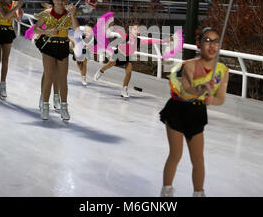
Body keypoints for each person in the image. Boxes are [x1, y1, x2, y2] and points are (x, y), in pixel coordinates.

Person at [159, 27, 229, 197]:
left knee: (198, 159)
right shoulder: (190, 65)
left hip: (197, 113)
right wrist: (201, 88)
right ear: (199, 44)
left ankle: (199, 193)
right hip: (178, 110)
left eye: (215, 41)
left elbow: (221, 98)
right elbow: (187, 88)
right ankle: (166, 191)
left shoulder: (222, 71)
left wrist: (212, 100)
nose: (212, 45)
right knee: (176, 154)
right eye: (207, 40)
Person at [34, 0, 79, 121]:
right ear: (53, 0)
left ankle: (64, 107)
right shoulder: (47, 14)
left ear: (67, 1)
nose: (60, 2)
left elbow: (76, 29)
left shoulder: (68, 14)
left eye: (63, 0)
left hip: (63, 46)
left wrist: (73, 15)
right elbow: (36, 29)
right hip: (49, 46)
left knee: (62, 78)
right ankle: (45, 105)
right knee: (49, 76)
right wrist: (47, 31)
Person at [94, 23, 166, 98]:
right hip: (118, 54)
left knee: (129, 72)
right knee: (110, 64)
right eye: (135, 29)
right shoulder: (126, 36)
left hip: (128, 57)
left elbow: (151, 40)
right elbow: (118, 30)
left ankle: (124, 89)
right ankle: (100, 71)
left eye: (138, 30)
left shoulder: (139, 40)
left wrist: (163, 40)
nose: (136, 31)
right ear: (131, 30)